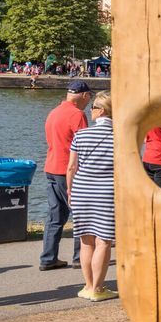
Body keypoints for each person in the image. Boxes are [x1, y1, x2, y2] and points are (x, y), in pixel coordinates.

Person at [67, 91, 117, 300]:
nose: (91, 111)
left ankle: (87, 286)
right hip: (106, 192)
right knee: (103, 240)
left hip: (81, 190)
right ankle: (98, 288)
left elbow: (71, 167)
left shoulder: (81, 134)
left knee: (86, 240)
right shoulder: (119, 137)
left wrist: (70, 191)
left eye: (93, 108)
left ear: (102, 110)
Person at [41, 80, 91, 269]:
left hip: (51, 167)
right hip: (68, 170)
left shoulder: (54, 112)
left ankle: (48, 257)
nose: (89, 101)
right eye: (89, 97)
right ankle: (79, 257)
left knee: (55, 215)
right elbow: (83, 145)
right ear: (84, 96)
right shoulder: (77, 115)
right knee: (79, 212)